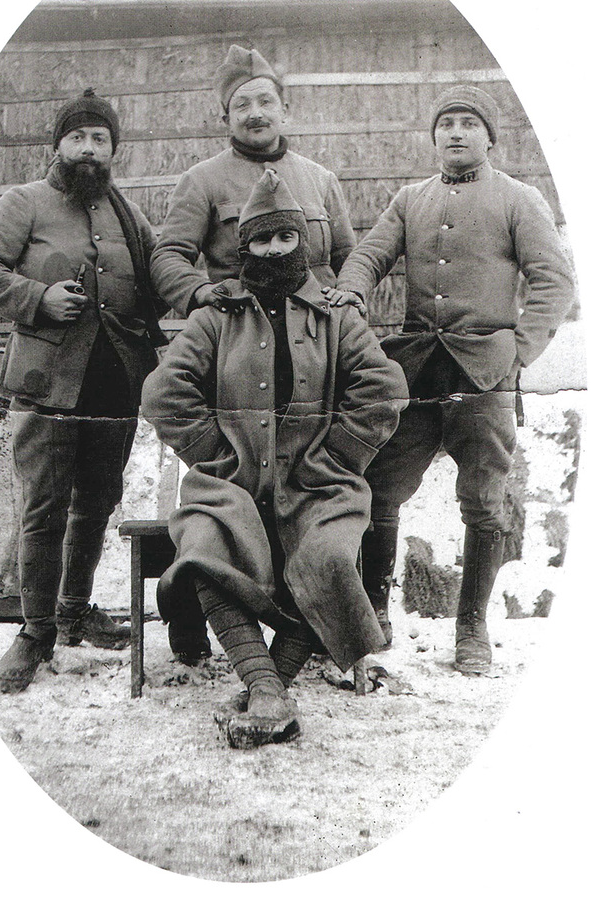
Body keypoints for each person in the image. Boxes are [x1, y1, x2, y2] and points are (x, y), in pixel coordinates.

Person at [142, 170, 408, 748]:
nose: (274, 250)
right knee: (206, 545)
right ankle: (267, 689)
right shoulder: (216, 316)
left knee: (326, 554)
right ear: (245, 249)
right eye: (261, 241)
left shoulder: (337, 315)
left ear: (302, 242)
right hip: (232, 484)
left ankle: (270, 688)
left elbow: (384, 388)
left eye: (285, 239)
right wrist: (217, 454)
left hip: (317, 484)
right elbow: (165, 392)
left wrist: (335, 455)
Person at [326, 85, 575, 674]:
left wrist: (519, 349)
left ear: (490, 137)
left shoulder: (518, 199)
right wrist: (354, 287)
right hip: (416, 371)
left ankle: (471, 630)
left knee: (484, 500)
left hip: (485, 373)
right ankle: (377, 615)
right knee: (382, 487)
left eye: (469, 123)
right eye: (447, 124)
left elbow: (554, 281)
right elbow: (369, 254)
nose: (457, 133)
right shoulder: (411, 198)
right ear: (434, 137)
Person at [0, 89, 170, 693]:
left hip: (115, 387)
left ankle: (76, 609)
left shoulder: (129, 217)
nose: (88, 148)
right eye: (77, 137)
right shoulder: (24, 202)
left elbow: (163, 271)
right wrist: (38, 298)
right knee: (43, 510)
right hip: (47, 385)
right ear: (57, 145)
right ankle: (36, 630)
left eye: (99, 139)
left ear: (112, 150)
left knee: (97, 503)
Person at [150, 44, 356, 319]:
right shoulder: (202, 180)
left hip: (319, 330)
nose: (255, 113)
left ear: (284, 110)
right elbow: (168, 256)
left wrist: (350, 294)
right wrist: (199, 291)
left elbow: (348, 258)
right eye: (242, 105)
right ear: (227, 119)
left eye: (265, 101)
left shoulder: (321, 179)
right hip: (241, 328)